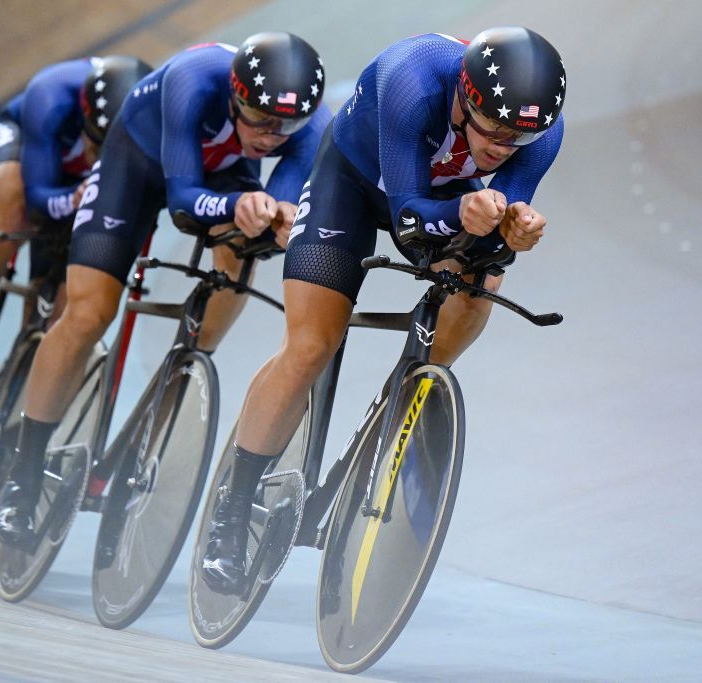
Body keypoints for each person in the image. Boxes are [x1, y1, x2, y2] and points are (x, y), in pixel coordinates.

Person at [200, 26, 567, 594]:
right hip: (352, 183)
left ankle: (409, 395)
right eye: (492, 128)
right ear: (465, 97)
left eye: (520, 136)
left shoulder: (539, 131)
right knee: (310, 347)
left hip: (445, 200)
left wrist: (516, 230)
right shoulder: (412, 79)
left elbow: (501, 223)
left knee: (482, 281)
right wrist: (467, 213)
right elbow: (409, 223)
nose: (502, 146)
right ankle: (234, 504)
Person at [0, 32, 331, 546]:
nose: (270, 136)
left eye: (287, 125)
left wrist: (278, 219)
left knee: (245, 248)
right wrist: (239, 206)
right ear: (235, 95)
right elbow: (183, 198)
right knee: (87, 314)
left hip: (215, 177)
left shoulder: (311, 127)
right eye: (260, 119)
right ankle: (24, 473)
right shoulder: (193, 80)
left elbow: (277, 209)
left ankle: (190, 358)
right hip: (135, 169)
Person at [0, 55, 153, 399]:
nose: (100, 160)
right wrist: (73, 198)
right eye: (96, 148)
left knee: (62, 305)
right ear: (84, 120)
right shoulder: (52, 95)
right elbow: (38, 195)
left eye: (111, 153)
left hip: (76, 184)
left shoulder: (148, 118)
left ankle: (20, 380)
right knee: (16, 215)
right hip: (23, 142)